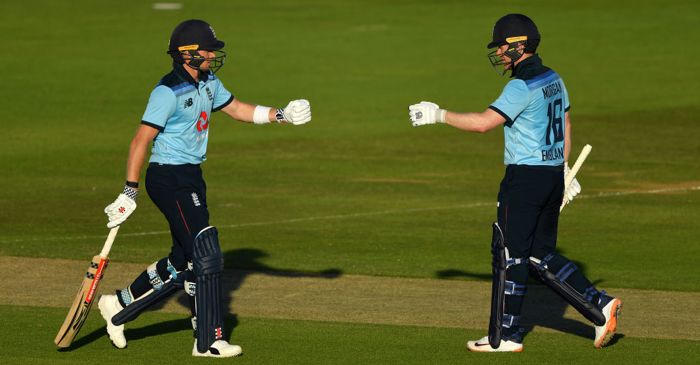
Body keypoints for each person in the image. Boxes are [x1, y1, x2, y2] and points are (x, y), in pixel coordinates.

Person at [408, 14, 621, 352]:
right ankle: (600, 306)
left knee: (509, 255)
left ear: (519, 46)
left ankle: (504, 336)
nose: (500, 54)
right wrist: (562, 170)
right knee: (540, 256)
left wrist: (438, 115)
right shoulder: (555, 79)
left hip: (524, 180)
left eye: (503, 48)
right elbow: (565, 122)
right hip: (550, 176)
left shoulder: (520, 86)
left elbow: (482, 124)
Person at [99, 19, 312, 358]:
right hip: (168, 178)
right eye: (207, 49)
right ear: (187, 54)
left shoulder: (210, 81)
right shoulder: (167, 92)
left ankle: (118, 303)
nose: (213, 55)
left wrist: (281, 114)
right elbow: (141, 140)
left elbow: (237, 109)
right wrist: (129, 191)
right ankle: (208, 340)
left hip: (192, 176)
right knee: (206, 254)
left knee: (182, 258)